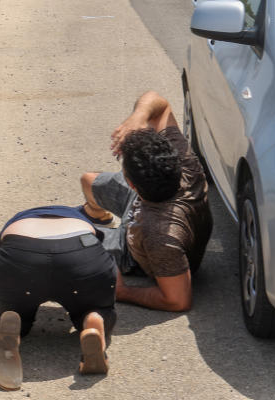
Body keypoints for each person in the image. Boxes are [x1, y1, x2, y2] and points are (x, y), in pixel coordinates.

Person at [80, 90, 212, 312]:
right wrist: (138, 118)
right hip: (144, 204)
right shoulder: (185, 164)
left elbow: (177, 300)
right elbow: (160, 105)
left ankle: (98, 228)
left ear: (131, 183)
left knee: (74, 240)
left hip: (134, 250)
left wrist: (122, 292)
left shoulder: (160, 237)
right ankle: (98, 215)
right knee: (88, 180)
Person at [0, 206, 117, 391]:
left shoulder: (19, 218)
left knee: (13, 304)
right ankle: (94, 320)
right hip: (81, 256)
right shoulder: (80, 219)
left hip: (20, 255)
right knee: (96, 306)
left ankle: (13, 322)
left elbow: (2, 245)